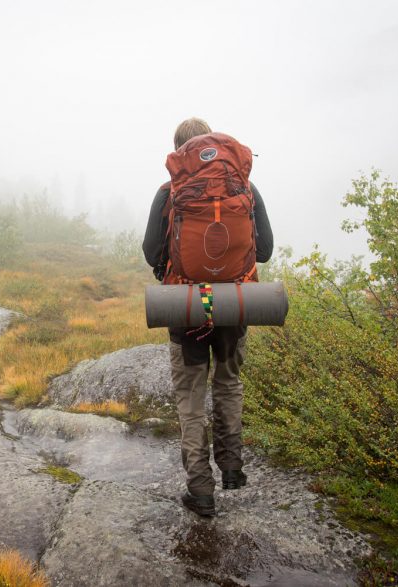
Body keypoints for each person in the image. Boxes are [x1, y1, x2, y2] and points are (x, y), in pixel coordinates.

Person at [142, 117, 273, 517]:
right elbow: (264, 250)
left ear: (180, 152)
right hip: (234, 305)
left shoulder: (170, 192)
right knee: (229, 382)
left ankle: (201, 491)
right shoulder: (244, 188)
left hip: (186, 308)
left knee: (191, 398)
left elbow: (151, 252)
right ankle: (232, 468)